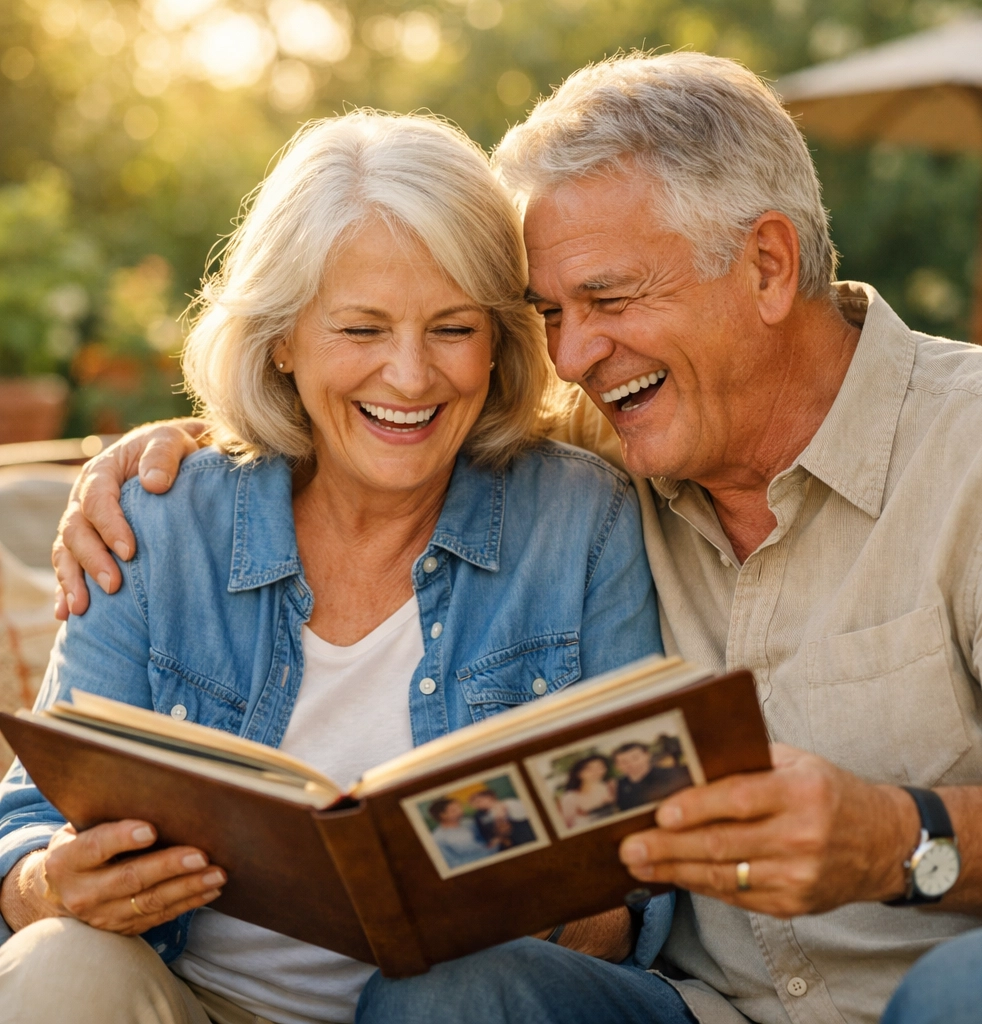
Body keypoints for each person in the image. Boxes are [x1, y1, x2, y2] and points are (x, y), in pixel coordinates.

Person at [40, 51, 982, 1024]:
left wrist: (898, 838)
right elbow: (369, 417)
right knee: (445, 993)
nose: (574, 356)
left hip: (939, 992)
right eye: (550, 312)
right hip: (696, 1011)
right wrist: (164, 455)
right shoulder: (633, 440)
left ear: (767, 265)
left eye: (609, 299)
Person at [0, 110, 665, 1024]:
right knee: (59, 965)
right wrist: (48, 884)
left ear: (500, 339)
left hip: (457, 1007)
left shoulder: (583, 520)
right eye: (361, 329)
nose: (411, 377)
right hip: (190, 998)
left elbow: (639, 886)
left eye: (452, 328)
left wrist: (535, 907)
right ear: (281, 338)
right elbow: (28, 823)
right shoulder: (157, 521)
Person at [611, 743, 691, 812]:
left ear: (647, 755)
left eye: (635, 758)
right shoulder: (618, 785)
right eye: (624, 762)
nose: (631, 764)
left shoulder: (674, 775)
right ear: (617, 766)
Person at [557, 755, 617, 830]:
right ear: (579, 773)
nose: (596, 772)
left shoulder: (608, 787)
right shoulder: (570, 797)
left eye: (600, 767)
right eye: (589, 769)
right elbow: (567, 826)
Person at [429, 800, 491, 868]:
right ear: (443, 815)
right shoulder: (438, 838)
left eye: (460, 807)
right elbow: (453, 864)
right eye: (454, 810)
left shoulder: (468, 822)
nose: (460, 811)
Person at [467, 789, 535, 850]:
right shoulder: (484, 815)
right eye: (474, 804)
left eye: (479, 801)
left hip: (526, 833)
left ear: (489, 798)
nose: (477, 806)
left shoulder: (509, 803)